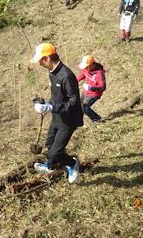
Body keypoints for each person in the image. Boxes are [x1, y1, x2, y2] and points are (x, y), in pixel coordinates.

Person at [30, 43, 83, 183]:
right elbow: (57, 96)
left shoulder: (67, 76)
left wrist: (51, 108)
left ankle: (72, 163)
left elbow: (73, 103)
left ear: (47, 58)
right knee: (49, 145)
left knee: (54, 153)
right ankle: (51, 163)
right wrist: (45, 104)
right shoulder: (52, 73)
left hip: (68, 120)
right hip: (57, 117)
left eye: (40, 60)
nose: (39, 64)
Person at [76, 55, 106, 122]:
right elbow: (82, 75)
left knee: (85, 107)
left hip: (94, 94)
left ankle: (97, 119)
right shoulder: (86, 69)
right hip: (85, 92)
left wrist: (91, 88)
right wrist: (74, 81)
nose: (85, 69)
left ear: (91, 65)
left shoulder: (99, 73)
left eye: (86, 67)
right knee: (79, 105)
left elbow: (103, 87)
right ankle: (78, 121)